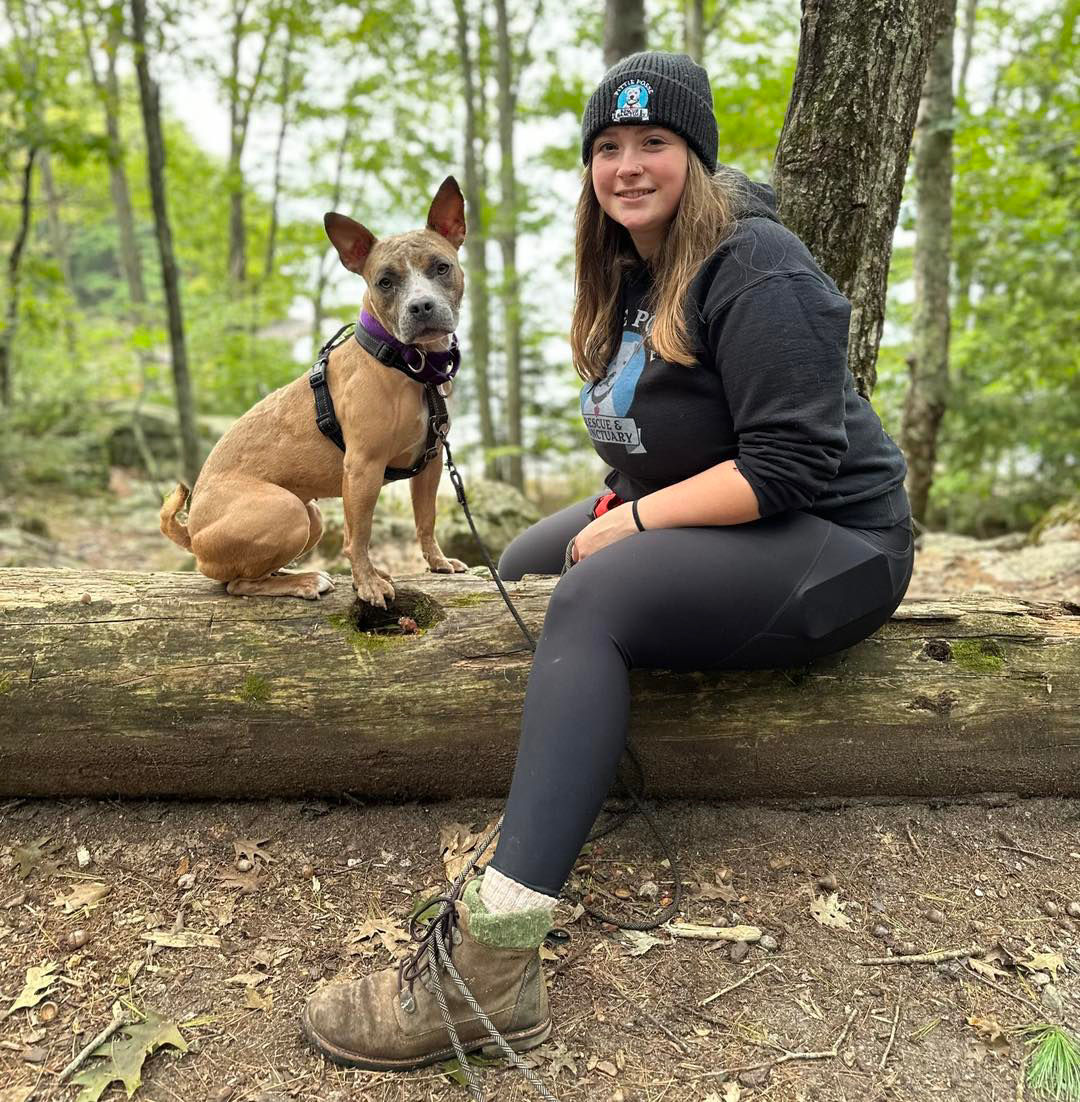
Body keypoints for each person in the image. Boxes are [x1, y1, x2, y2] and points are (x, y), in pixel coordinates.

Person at [302, 50, 913, 1083]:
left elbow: (789, 463)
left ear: (696, 154)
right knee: (532, 558)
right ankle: (576, 748)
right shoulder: (635, 260)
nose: (629, 164)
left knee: (585, 596)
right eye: (609, 147)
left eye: (655, 143)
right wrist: (616, 500)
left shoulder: (760, 268)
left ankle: (492, 964)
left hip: (833, 542)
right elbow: (667, 417)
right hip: (727, 515)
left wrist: (634, 529)